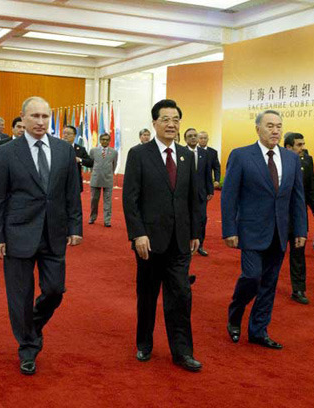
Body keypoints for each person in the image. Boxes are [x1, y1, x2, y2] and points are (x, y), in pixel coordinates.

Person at [0, 96, 82, 375]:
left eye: (45, 116)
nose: (41, 122)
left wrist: (75, 227)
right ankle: (28, 348)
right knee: (20, 296)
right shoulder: (7, 152)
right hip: (18, 232)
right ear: (23, 118)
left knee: (54, 290)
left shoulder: (64, 150)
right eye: (35, 117)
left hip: (54, 232)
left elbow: (71, 193)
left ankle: (32, 324)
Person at [122, 99, 202, 372]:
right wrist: (138, 234)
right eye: (166, 119)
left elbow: (193, 198)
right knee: (147, 294)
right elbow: (130, 199)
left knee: (181, 296)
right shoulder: (139, 154)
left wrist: (195, 233)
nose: (171, 124)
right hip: (149, 241)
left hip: (179, 240)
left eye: (176, 119)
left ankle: (183, 352)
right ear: (154, 123)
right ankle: (144, 343)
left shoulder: (185, 155)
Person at [222, 110, 306, 349]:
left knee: (269, 283)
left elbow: (297, 198)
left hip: (280, 232)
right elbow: (229, 196)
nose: (275, 130)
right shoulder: (241, 156)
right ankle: (236, 311)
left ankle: (259, 330)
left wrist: (300, 229)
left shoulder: (291, 159)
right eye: (270, 126)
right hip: (250, 230)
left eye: (279, 126)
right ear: (257, 128)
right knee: (252, 276)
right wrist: (229, 229)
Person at [284, 132, 314, 305]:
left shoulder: (307, 161)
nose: (303, 148)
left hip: (298, 216)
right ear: (288, 147)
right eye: (299, 145)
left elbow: (311, 186)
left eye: (303, 144)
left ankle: (298, 289)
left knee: (298, 254)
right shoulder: (277, 161)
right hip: (278, 218)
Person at [184, 128, 214, 256]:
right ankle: (184, 245)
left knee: (201, 219)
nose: (193, 138)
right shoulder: (181, 152)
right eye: (190, 136)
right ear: (185, 139)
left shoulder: (204, 153)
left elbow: (208, 173)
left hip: (201, 193)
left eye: (195, 136)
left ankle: (200, 245)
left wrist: (210, 190)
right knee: (185, 219)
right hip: (184, 194)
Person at [88, 133, 118, 227]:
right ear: (100, 140)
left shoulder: (114, 152)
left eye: (107, 139)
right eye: (103, 139)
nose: (105, 141)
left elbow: (114, 165)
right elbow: (90, 164)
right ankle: (92, 217)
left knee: (108, 201)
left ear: (109, 141)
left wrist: (109, 173)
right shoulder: (93, 150)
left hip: (108, 179)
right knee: (94, 200)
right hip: (95, 178)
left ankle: (107, 220)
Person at [62, 125, 94, 192]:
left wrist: (80, 160)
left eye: (68, 134)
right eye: (64, 133)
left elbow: (90, 163)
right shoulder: (56, 147)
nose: (65, 135)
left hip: (75, 182)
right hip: (60, 182)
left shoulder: (80, 149)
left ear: (74, 135)